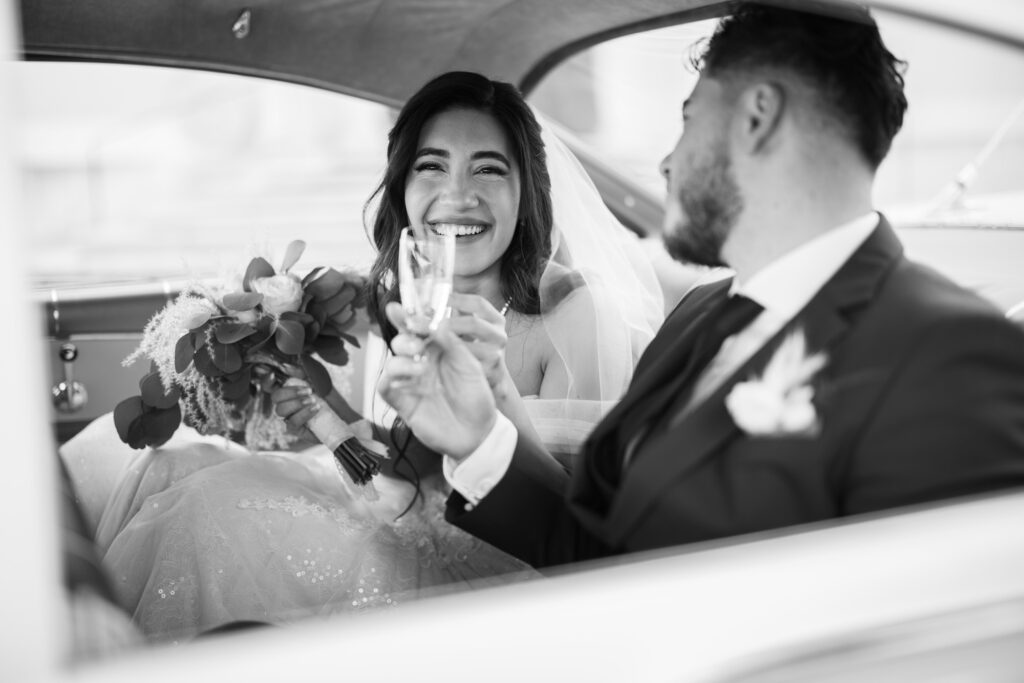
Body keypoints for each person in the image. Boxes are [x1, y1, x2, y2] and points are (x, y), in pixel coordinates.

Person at [378, 4, 1024, 569]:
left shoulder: (947, 354)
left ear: (758, 116)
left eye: (690, 120)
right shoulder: (698, 315)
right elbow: (602, 551)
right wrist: (481, 439)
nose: (666, 162)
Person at [79, 70, 662, 641]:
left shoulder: (575, 316)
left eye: (488, 169)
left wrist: (497, 397)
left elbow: (574, 530)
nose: (458, 195)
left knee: (208, 510)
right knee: (169, 466)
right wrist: (322, 412)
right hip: (408, 517)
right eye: (431, 166)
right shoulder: (412, 293)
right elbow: (412, 470)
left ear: (527, 193)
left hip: (489, 581)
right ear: (403, 188)